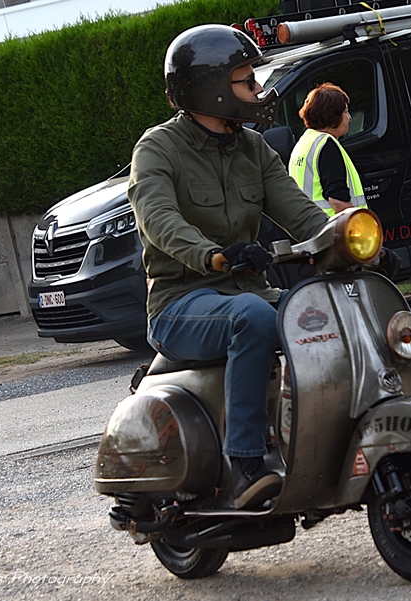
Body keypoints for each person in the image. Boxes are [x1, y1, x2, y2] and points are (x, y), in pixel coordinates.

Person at [126, 24, 330, 509]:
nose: (258, 89)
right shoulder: (157, 149)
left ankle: (317, 436)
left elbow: (301, 213)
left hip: (248, 292)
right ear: (212, 87)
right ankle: (245, 464)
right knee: (253, 318)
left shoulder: (252, 148)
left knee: (324, 311)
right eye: (247, 80)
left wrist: (353, 240)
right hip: (181, 303)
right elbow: (159, 219)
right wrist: (213, 254)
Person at [289, 83, 367, 215]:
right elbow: (338, 201)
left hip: (310, 223)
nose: (349, 118)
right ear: (332, 117)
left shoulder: (304, 143)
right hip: (331, 225)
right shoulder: (326, 145)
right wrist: (356, 225)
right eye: (345, 112)